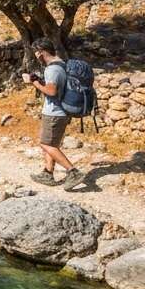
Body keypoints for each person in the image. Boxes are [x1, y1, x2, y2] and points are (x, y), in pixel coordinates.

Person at [22, 38, 83, 188]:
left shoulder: (52, 69)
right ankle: (47, 173)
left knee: (45, 144)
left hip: (54, 112)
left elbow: (51, 91)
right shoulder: (61, 64)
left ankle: (73, 172)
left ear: (41, 52)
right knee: (51, 144)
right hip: (59, 112)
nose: (36, 56)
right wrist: (39, 80)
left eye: (37, 53)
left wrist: (33, 82)